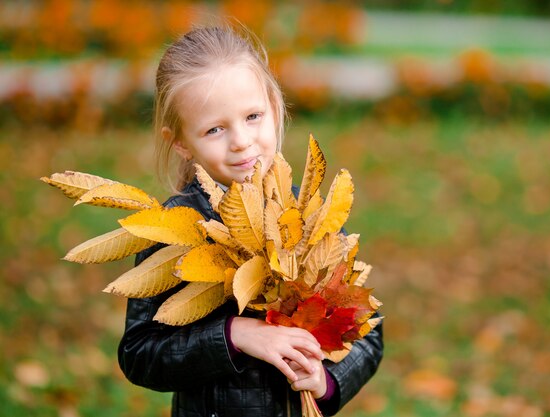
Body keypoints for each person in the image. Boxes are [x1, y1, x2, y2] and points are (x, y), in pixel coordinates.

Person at [117, 24, 383, 417]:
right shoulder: (177, 229)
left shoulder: (308, 216)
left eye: (253, 116)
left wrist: (326, 383)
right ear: (180, 142)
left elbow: (366, 330)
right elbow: (140, 353)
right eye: (214, 129)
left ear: (275, 109)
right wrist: (233, 336)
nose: (241, 140)